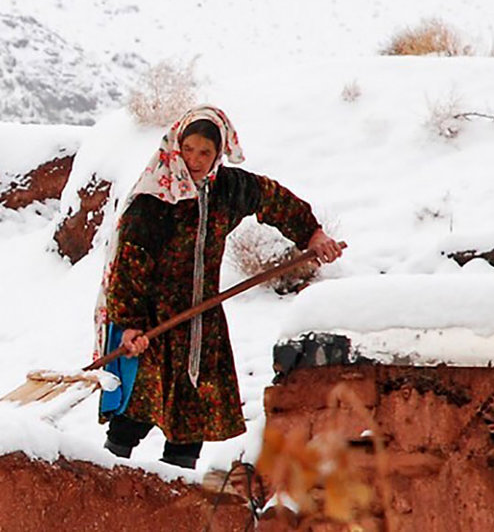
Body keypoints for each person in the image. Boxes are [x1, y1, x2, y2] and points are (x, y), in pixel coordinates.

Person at [94, 105, 342, 469]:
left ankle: (179, 500)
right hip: (153, 324)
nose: (194, 159)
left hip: (201, 326)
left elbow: (273, 199)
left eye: (205, 152)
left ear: (219, 153)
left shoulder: (228, 189)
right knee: (133, 415)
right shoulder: (153, 200)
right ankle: (105, 487)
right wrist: (130, 324)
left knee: (191, 419)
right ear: (176, 146)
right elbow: (127, 270)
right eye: (189, 149)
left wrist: (312, 233)